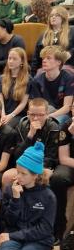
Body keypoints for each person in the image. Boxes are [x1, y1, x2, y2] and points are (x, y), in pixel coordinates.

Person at [2, 98, 59, 187]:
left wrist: (32, 168)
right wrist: (30, 135)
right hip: (23, 165)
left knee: (43, 177)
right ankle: (9, 200)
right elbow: (17, 155)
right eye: (32, 114)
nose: (36, 118)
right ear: (28, 114)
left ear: (47, 115)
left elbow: (51, 157)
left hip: (43, 165)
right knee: (7, 176)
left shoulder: (53, 127)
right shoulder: (22, 125)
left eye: (40, 115)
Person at [50, 103, 74, 242]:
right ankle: (59, 229)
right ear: (71, 110)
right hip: (70, 164)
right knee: (58, 178)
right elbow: (63, 158)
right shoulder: (65, 127)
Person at [31, 46, 74, 124]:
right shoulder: (37, 80)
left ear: (59, 62)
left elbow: (67, 107)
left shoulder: (68, 78)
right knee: (24, 122)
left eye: (48, 58)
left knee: (53, 124)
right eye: (43, 58)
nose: (44, 61)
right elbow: (36, 104)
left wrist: (49, 116)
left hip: (62, 114)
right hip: (43, 113)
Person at [31, 6, 74, 74]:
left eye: (57, 15)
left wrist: (70, 53)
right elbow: (36, 57)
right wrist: (33, 74)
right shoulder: (44, 35)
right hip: (47, 69)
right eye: (51, 16)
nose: (53, 17)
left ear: (63, 18)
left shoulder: (72, 31)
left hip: (67, 67)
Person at [0, 47, 33, 127]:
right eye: (9, 58)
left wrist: (10, 116)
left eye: (14, 59)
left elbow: (23, 103)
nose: (11, 61)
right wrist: (2, 114)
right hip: (2, 112)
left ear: (22, 62)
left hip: (18, 115)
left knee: (5, 127)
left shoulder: (28, 79)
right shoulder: (1, 78)